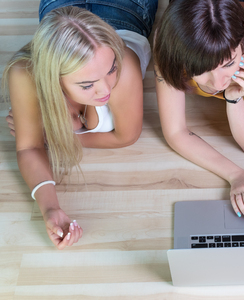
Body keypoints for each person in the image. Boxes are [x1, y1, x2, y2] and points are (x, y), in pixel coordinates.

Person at [2, 0, 158, 249]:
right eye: (87, 85)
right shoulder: (26, 74)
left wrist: (51, 136)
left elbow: (125, 137)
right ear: (52, 78)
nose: (107, 88)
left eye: (111, 69)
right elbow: (29, 148)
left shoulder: (123, 61)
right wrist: (50, 207)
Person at [153, 0, 244, 219]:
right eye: (202, 69)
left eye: (228, 64)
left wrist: (234, 100)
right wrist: (235, 174)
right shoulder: (170, 43)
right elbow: (175, 132)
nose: (217, 83)